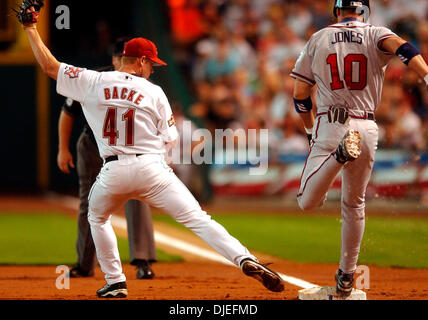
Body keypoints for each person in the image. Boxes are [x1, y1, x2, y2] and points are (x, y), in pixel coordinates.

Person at [17, 2, 284, 298]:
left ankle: (116, 281)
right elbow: (170, 139)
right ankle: (244, 258)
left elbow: (49, 65)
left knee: (97, 217)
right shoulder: (154, 91)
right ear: (141, 61)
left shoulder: (94, 80)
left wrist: (30, 28)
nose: (152, 68)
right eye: (152, 63)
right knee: (198, 219)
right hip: (152, 169)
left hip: (113, 170)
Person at [290, 0, 428, 297]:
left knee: (307, 202)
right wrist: (426, 75)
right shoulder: (376, 32)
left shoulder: (318, 37)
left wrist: (310, 129)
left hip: (330, 123)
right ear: (363, 10)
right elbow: (406, 49)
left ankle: (338, 157)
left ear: (336, 10)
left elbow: (300, 94)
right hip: (366, 127)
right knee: (354, 204)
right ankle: (347, 275)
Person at [57, 37, 156, 280]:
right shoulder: (94, 78)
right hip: (92, 145)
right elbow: (68, 111)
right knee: (89, 202)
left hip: (129, 149)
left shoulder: (143, 82)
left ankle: (142, 261)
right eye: (121, 56)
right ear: (115, 59)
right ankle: (84, 263)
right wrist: (63, 148)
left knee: (138, 196)